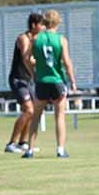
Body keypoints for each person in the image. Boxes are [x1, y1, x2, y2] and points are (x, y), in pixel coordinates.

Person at [23, 9, 79, 159]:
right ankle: (60, 149)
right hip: (57, 81)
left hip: (41, 81)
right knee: (59, 116)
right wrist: (73, 81)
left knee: (36, 116)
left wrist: (33, 73)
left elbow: (27, 58)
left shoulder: (36, 39)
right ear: (57, 22)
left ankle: (30, 149)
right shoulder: (61, 40)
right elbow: (67, 62)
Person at [5, 13, 43, 154]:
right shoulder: (23, 38)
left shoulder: (37, 39)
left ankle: (23, 143)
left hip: (28, 80)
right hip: (18, 79)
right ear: (34, 25)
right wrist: (36, 71)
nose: (43, 27)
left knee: (32, 112)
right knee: (28, 110)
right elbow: (27, 59)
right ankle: (11, 144)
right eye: (41, 24)